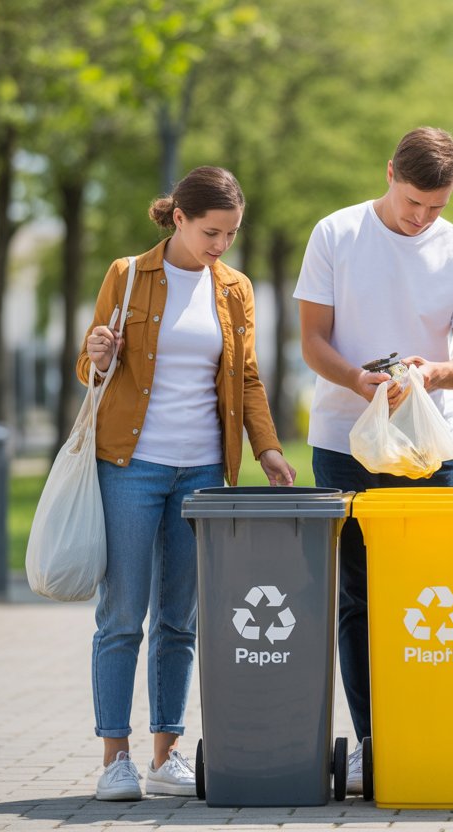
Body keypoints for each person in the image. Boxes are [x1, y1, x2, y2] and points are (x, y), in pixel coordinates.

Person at [77, 166, 296, 801]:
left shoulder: (235, 289)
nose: (221, 244)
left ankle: (164, 754)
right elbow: (89, 370)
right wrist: (93, 353)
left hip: (204, 471)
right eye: (211, 231)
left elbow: (248, 378)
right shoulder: (127, 275)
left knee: (181, 619)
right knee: (122, 614)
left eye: (230, 233)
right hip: (131, 465)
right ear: (179, 219)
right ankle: (114, 757)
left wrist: (270, 449)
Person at [294, 126, 453, 793]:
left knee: (433, 593)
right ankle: (374, 739)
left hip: (430, 446)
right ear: (389, 174)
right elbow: (313, 340)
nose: (422, 217)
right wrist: (357, 380)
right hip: (345, 440)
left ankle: (428, 729)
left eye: (435, 206)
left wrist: (434, 373)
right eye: (413, 202)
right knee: (359, 596)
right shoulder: (336, 235)